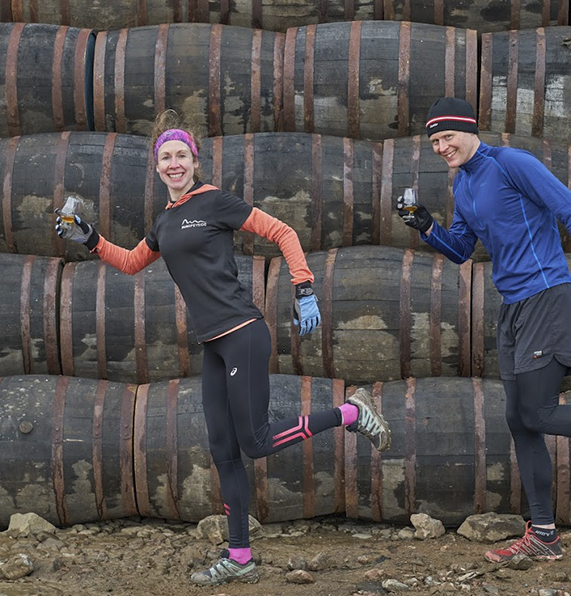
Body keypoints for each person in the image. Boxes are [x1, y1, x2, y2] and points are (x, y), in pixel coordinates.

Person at [55, 110, 392, 587]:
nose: (174, 163)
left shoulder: (214, 202)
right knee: (223, 449)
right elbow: (132, 263)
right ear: (156, 167)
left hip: (243, 332)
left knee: (254, 442)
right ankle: (240, 556)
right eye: (165, 156)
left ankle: (352, 415)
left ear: (195, 162)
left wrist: (303, 285)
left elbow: (283, 233)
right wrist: (90, 238)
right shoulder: (165, 220)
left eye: (181, 155)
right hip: (212, 345)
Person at [398, 97, 571, 562]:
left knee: (539, 412)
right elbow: (463, 249)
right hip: (513, 308)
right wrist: (427, 227)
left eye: (447, 136)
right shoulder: (464, 187)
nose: (441, 147)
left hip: (547, 297)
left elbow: (570, 209)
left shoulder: (511, 163)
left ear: (469, 130)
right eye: (434, 142)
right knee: (519, 420)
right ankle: (544, 536)